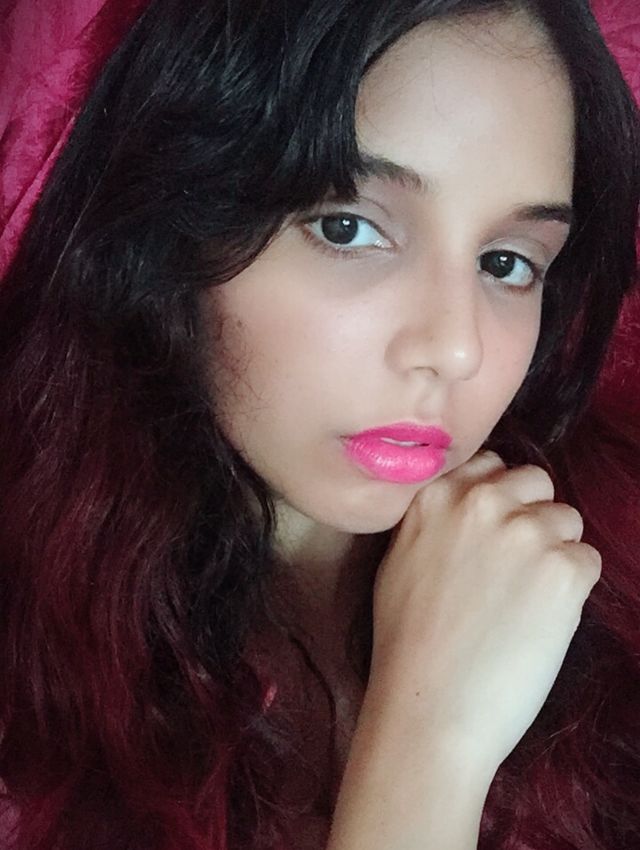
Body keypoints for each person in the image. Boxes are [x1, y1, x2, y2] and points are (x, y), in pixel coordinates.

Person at [0, 1, 638, 848]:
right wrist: (429, 744)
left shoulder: (611, 580)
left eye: (507, 262)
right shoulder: (27, 688)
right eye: (349, 228)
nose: (456, 348)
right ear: (174, 229)